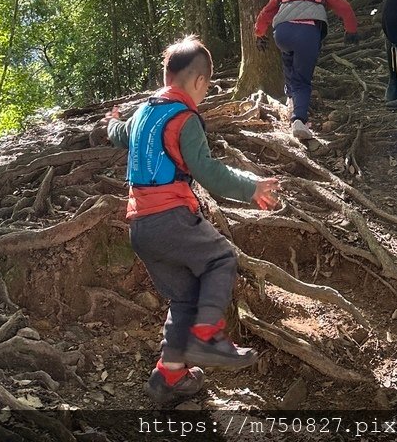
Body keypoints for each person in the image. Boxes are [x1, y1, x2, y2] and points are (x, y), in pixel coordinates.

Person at [107, 36, 279, 405]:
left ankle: (168, 377)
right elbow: (207, 171)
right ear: (199, 81)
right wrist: (252, 187)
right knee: (220, 259)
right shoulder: (185, 119)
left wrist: (111, 121)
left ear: (166, 75)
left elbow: (119, 135)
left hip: (140, 227)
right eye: (206, 87)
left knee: (184, 299)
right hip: (171, 219)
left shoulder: (143, 114)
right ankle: (209, 338)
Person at [254, 0, 359, 140]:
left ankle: (291, 100)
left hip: (283, 33)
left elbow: (267, 11)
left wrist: (259, 33)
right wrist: (351, 30)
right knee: (302, 80)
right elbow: (345, 8)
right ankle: (299, 120)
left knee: (289, 62)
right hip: (308, 34)